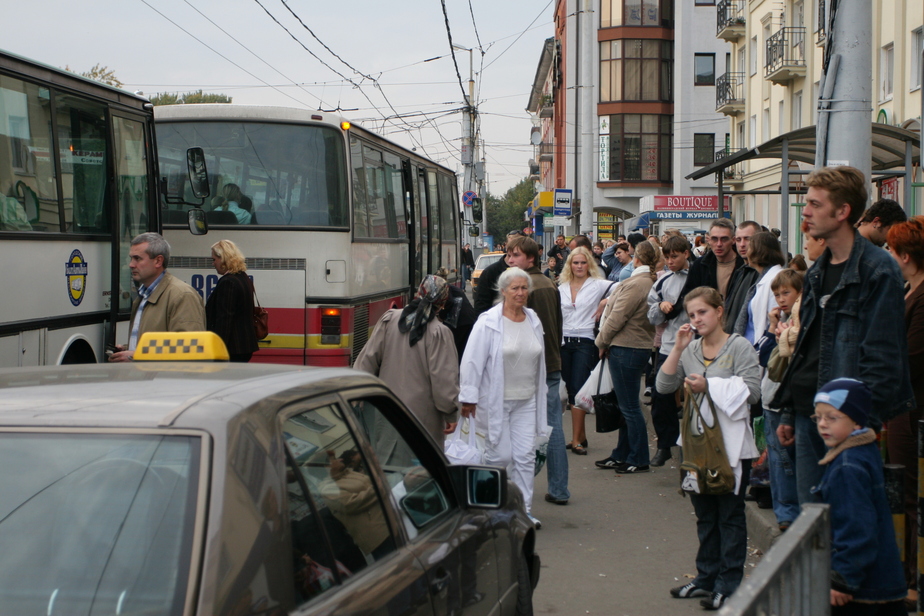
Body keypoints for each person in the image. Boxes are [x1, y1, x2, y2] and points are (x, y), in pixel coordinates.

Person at [772, 166, 914, 506]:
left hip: (846, 422)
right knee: (815, 525)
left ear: (842, 212)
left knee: (847, 528)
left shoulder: (877, 270)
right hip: (812, 415)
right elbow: (806, 347)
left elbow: (882, 360)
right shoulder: (819, 270)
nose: (805, 211)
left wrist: (861, 428)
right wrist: (791, 411)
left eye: (815, 204)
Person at [660, 287, 760, 611]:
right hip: (696, 445)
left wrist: (710, 386)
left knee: (730, 517)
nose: (697, 319)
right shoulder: (691, 349)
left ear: (719, 311)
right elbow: (664, 386)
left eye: (702, 312)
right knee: (705, 515)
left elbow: (755, 392)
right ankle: (706, 577)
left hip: (731, 448)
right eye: (691, 315)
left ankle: (728, 584)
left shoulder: (739, 347)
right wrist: (677, 348)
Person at [459, 267, 548, 527]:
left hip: (526, 400)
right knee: (500, 457)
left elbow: (539, 359)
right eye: (515, 288)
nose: (520, 293)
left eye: (524, 288)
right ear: (503, 291)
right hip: (495, 400)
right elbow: (472, 362)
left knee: (525, 457)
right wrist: (469, 397)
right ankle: (492, 510)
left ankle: (523, 511)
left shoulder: (533, 319)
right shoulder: (487, 322)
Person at [812, 378, 907, 615]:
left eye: (832, 417)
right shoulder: (862, 450)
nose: (822, 424)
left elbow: (857, 528)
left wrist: (843, 578)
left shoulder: (847, 467)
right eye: (818, 417)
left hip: (862, 590)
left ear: (856, 421)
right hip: (878, 581)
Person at [354, 276, 460, 445]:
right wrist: (451, 414)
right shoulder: (439, 333)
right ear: (442, 302)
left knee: (387, 464)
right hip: (422, 420)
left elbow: (367, 360)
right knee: (419, 466)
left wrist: (356, 397)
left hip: (387, 411)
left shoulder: (389, 320)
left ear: (419, 292)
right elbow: (444, 381)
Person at [505, 236, 569, 506]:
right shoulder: (547, 283)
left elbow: (529, 334)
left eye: (515, 255)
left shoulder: (530, 288)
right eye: (509, 255)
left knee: (545, 429)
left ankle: (552, 489)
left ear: (530, 259)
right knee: (549, 427)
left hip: (537, 368)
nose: (510, 260)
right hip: (549, 363)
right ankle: (558, 488)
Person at [885, 216, 924, 602]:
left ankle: (912, 578)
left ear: (907, 256)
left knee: (910, 494)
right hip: (904, 408)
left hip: (911, 411)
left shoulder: (921, 296)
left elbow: (909, 357)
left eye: (893, 252)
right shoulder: (912, 290)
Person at [594, 241, 659, 473]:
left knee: (630, 406)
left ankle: (638, 457)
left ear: (636, 259)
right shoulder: (646, 281)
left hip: (627, 347)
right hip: (633, 347)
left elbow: (617, 317)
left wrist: (600, 341)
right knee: (626, 406)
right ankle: (623, 453)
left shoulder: (637, 284)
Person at [109, 232, 205, 362]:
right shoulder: (143, 296)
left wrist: (137, 355)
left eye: (138, 259)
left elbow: (190, 349)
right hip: (146, 379)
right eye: (131, 258)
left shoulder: (182, 295)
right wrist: (128, 349)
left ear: (158, 261)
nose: (131, 264)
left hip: (165, 381)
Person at [559, 247, 613, 455]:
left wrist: (606, 300)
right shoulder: (562, 287)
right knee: (570, 390)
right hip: (564, 342)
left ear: (589, 264)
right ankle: (580, 436)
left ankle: (576, 440)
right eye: (575, 263)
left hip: (586, 341)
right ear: (570, 265)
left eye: (583, 263)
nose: (579, 267)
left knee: (578, 388)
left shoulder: (598, 285)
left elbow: (628, 287)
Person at [762, 268, 803, 532]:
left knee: (785, 458)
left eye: (786, 292)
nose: (781, 299)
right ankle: (784, 510)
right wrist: (772, 326)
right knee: (777, 456)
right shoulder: (782, 321)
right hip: (772, 395)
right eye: (777, 294)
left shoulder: (799, 324)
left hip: (785, 396)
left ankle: (788, 511)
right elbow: (764, 355)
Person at [646, 235, 692, 467]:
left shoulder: (698, 276)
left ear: (686, 253)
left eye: (674, 256)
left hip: (694, 346)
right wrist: (660, 308)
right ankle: (665, 444)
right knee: (660, 396)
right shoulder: (663, 281)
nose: (670, 261)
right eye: (667, 257)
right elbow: (651, 312)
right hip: (669, 345)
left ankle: (693, 446)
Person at [206, 239, 259, 362]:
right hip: (244, 346)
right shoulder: (243, 277)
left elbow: (224, 319)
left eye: (214, 259)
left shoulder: (228, 282)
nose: (213, 264)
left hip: (232, 348)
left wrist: (218, 350)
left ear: (223, 259)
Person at [732, 232, 785, 342]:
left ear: (759, 251)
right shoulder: (763, 278)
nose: (747, 251)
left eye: (750, 247)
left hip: (762, 347)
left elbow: (777, 318)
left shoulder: (776, 279)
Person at [723, 221, 762, 334]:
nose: (742, 244)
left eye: (747, 239)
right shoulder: (739, 271)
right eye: (739, 240)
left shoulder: (762, 274)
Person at [473, 230, 521, 314]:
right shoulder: (490, 272)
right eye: (512, 243)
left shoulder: (528, 271)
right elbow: (481, 305)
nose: (515, 247)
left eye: (519, 243)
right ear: (506, 245)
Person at [435, 267, 477, 363]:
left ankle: (455, 369)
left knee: (455, 347)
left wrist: (441, 316)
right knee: (464, 348)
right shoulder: (450, 287)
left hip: (461, 321)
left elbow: (449, 301)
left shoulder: (445, 287)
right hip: (469, 319)